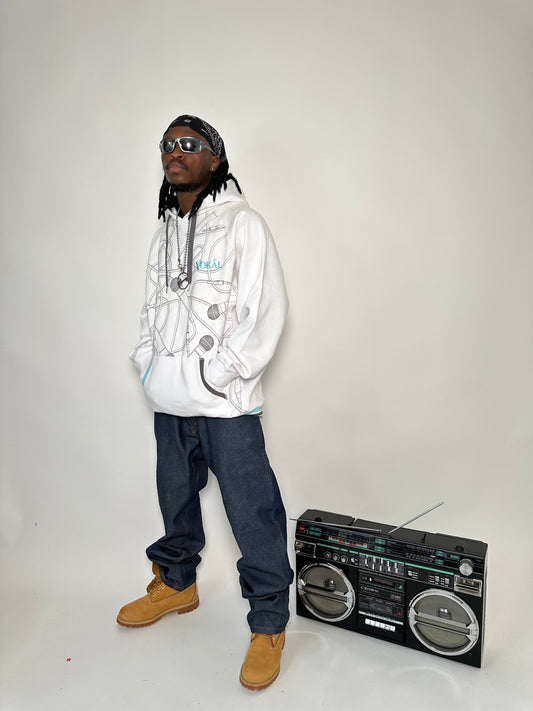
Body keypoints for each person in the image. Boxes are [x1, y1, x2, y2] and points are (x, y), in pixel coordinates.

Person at [117, 114, 293, 691]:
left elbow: (266, 310)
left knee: (252, 510)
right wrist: (150, 366)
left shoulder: (244, 224)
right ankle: (177, 583)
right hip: (169, 400)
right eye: (168, 144)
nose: (176, 152)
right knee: (175, 497)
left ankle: (268, 622)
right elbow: (152, 309)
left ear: (215, 158)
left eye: (189, 144)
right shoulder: (163, 230)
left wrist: (222, 376)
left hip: (226, 405)